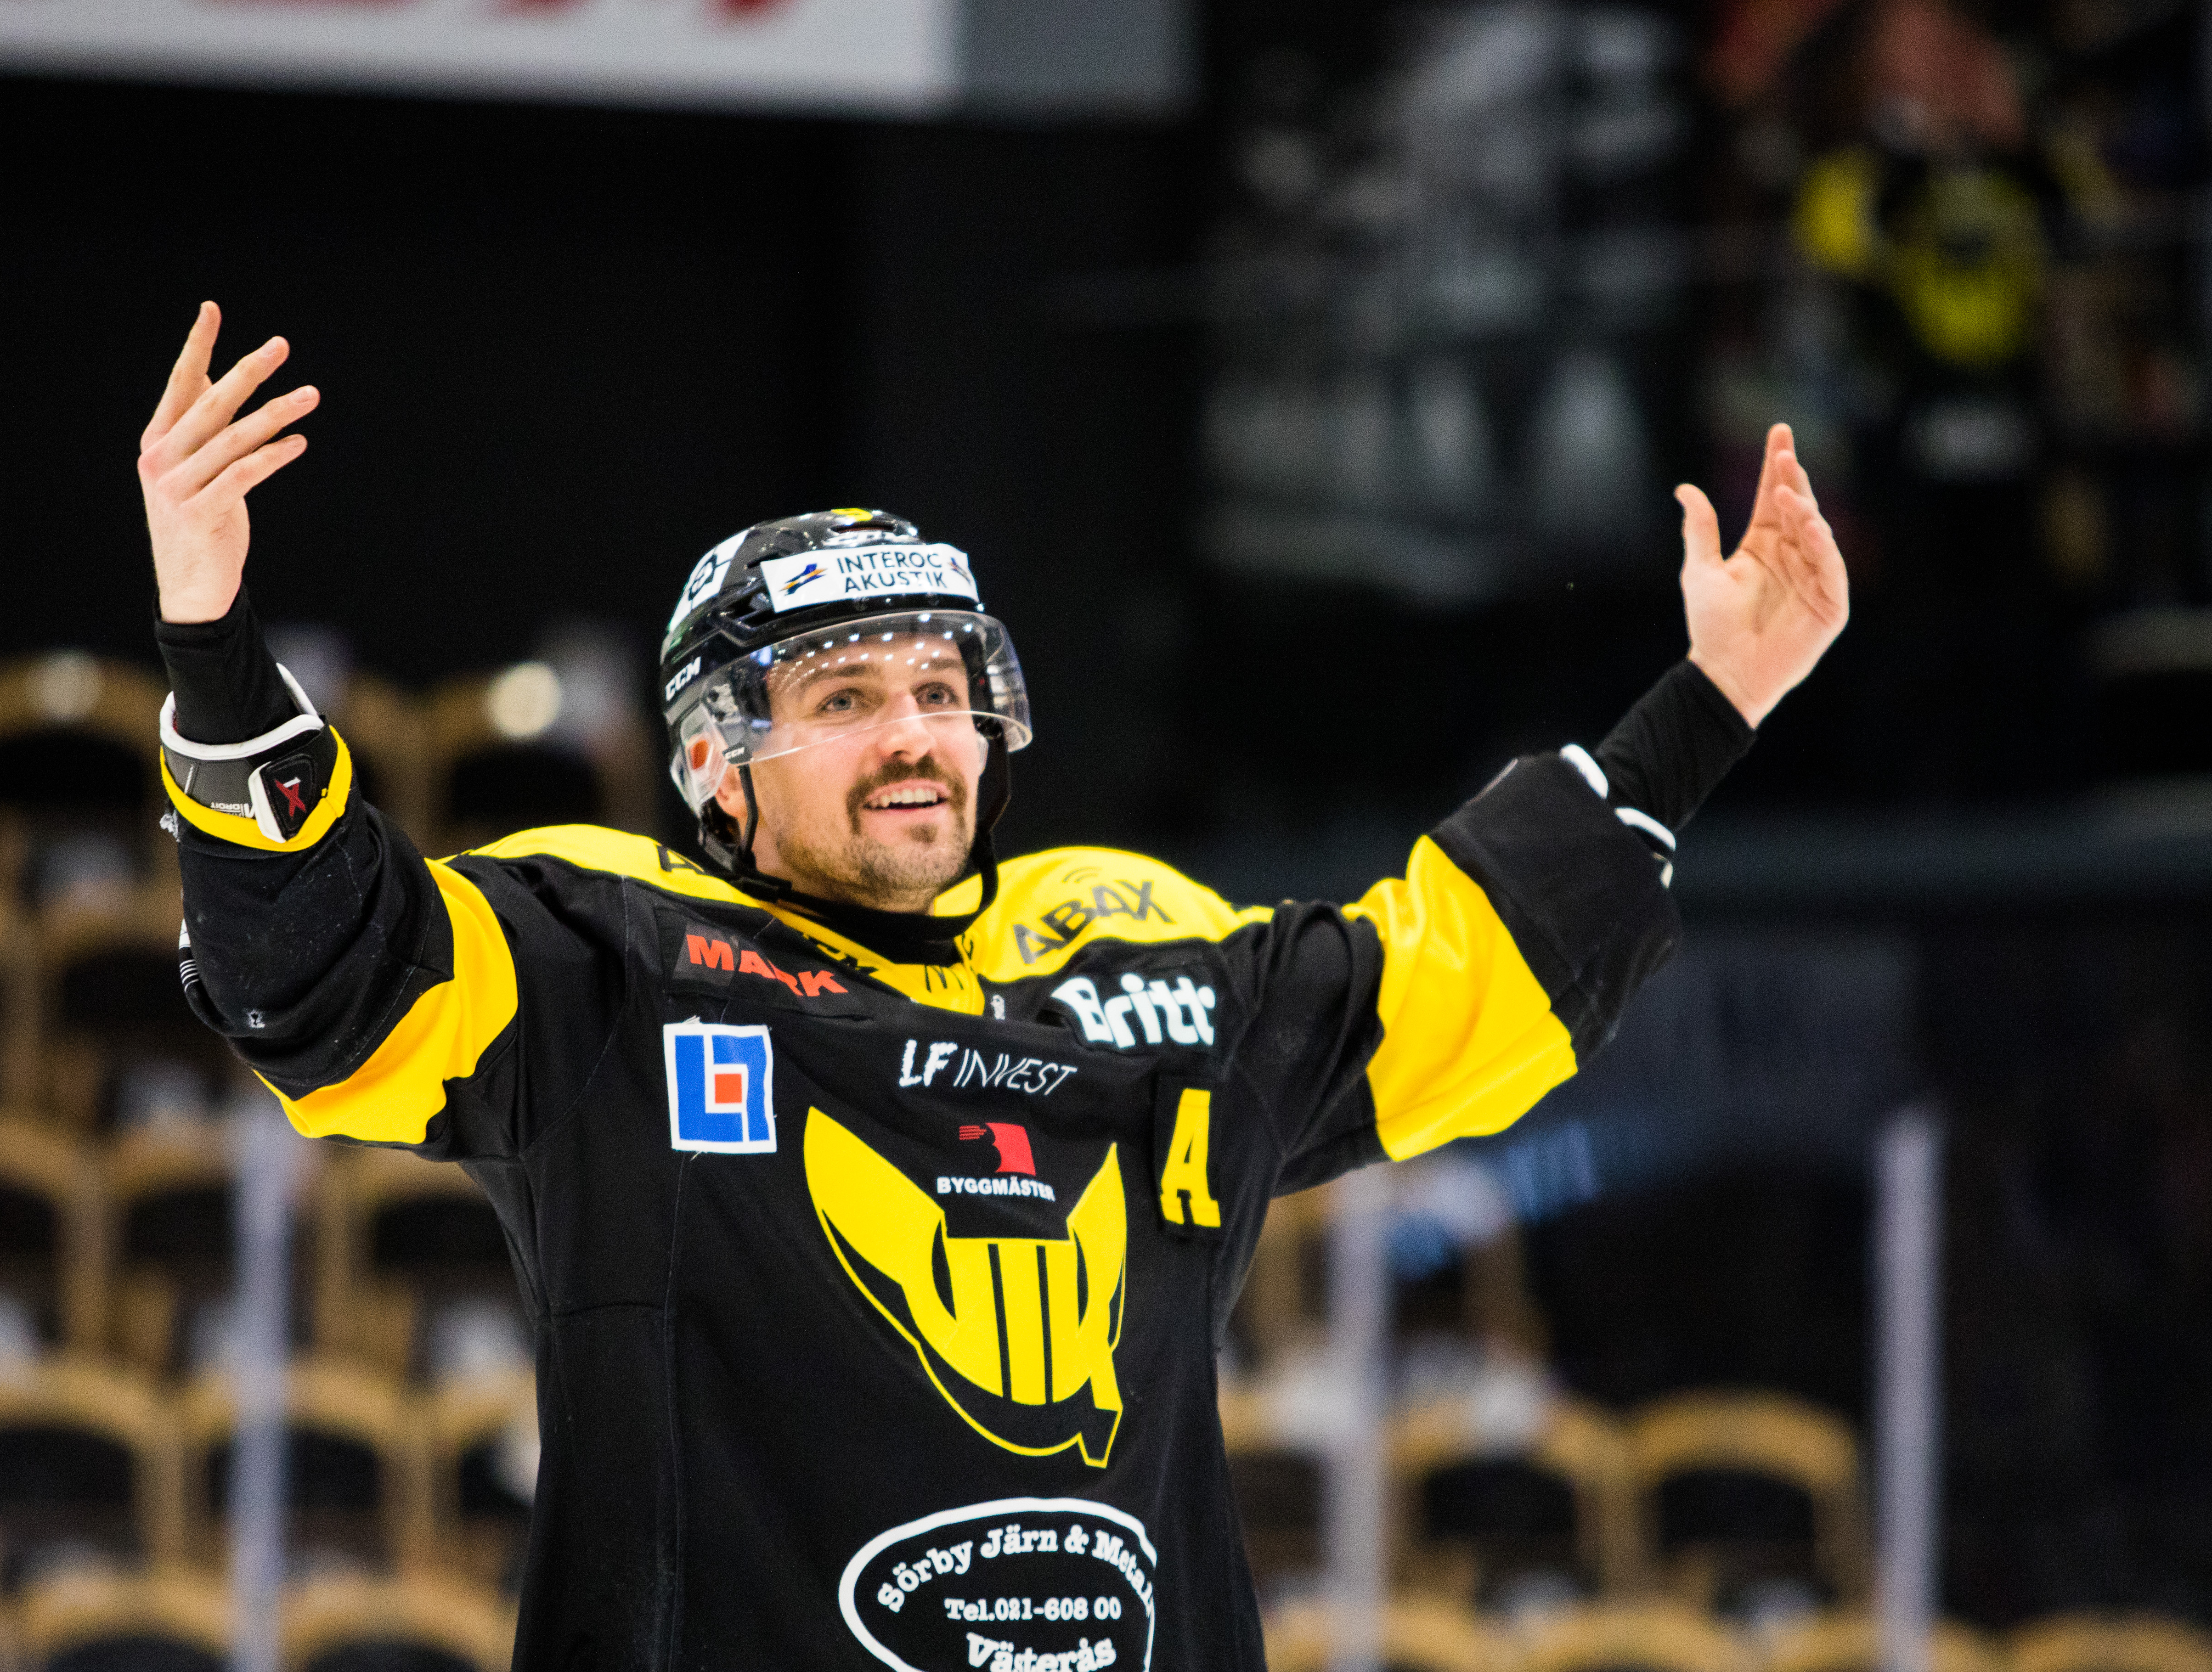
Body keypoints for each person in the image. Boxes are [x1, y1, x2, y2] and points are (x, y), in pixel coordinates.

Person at [138, 302, 1847, 1670]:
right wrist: (214, 648)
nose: (913, 733)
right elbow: (329, 979)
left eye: (942, 686)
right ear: (719, 765)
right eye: (844, 695)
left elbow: (1455, 982)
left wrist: (1709, 705)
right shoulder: (610, 962)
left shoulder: (1135, 951)